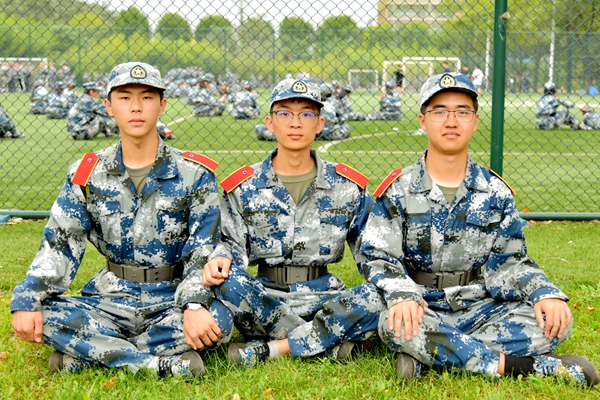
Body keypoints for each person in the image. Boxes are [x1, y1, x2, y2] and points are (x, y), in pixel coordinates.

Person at [361, 72, 600, 386]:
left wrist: (542, 292)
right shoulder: (398, 189)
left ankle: (431, 356)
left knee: (554, 322)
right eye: (439, 112)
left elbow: (512, 261)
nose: (451, 121)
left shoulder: (495, 191)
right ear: (423, 121)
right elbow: (378, 257)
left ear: (474, 121)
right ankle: (526, 367)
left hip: (477, 305)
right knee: (394, 324)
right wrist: (403, 295)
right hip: (419, 306)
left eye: (462, 112)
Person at [10, 62, 233, 379]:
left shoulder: (195, 174)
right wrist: (29, 298)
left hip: (171, 299)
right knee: (45, 315)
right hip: (109, 301)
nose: (136, 107)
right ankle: (157, 364)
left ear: (162, 106)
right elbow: (61, 242)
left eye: (147, 97)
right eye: (125, 97)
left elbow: (203, 248)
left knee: (219, 319)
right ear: (109, 106)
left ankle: (89, 354)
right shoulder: (87, 174)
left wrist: (194, 306)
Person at [206, 78, 385, 368]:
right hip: (265, 302)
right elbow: (229, 251)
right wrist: (220, 260)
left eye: (307, 114)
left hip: (325, 299)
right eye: (284, 113)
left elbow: (374, 252)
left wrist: (399, 289)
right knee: (226, 281)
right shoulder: (243, 187)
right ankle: (328, 342)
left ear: (320, 124)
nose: (295, 123)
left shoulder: (348, 186)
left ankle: (275, 349)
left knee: (381, 295)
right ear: (270, 123)